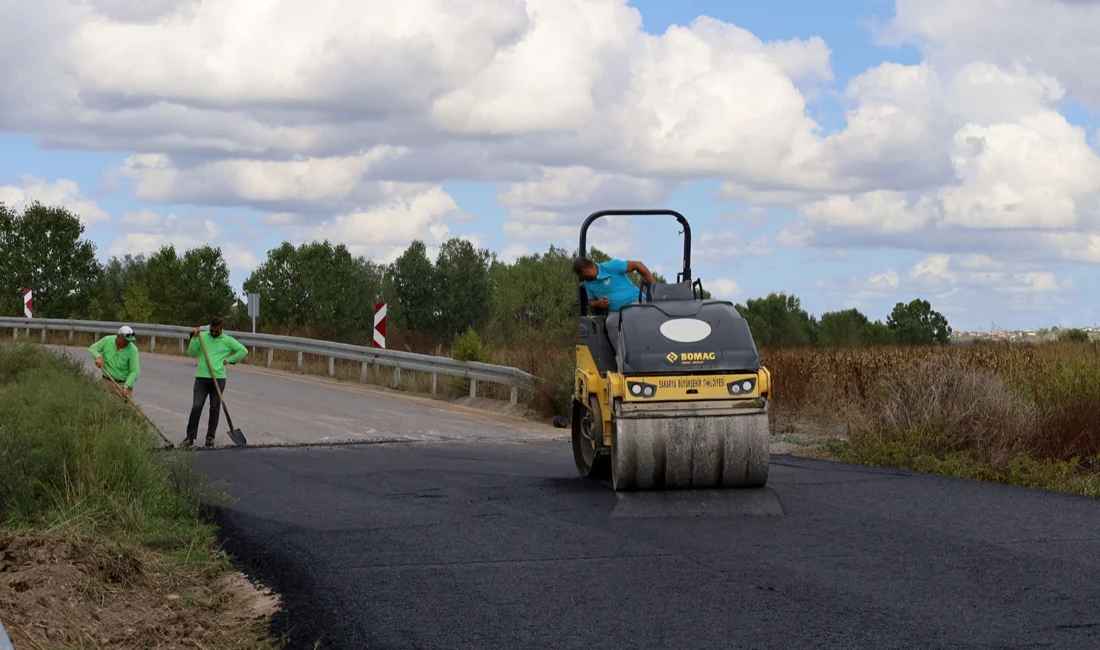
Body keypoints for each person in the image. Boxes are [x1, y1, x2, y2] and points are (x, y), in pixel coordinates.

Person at [183, 316, 248, 448]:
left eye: (216, 330)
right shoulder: (203, 336)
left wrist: (229, 360)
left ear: (221, 328)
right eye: (212, 329)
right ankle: (190, 437)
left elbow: (243, 351)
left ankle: (210, 437)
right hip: (201, 377)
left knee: (214, 408)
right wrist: (195, 338)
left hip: (218, 378)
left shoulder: (227, 340)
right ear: (210, 326)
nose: (213, 332)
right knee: (196, 407)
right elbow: (191, 352)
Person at [572, 256, 656, 356]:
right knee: (610, 322)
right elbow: (591, 301)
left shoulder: (611, 266)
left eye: (580, 275)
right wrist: (598, 303)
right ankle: (623, 360)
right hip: (615, 311)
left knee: (634, 317)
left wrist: (655, 288)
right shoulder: (588, 283)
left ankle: (649, 354)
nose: (581, 279)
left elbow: (638, 265)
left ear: (584, 272)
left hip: (635, 302)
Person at [89, 325, 141, 398]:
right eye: (125, 340)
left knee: (126, 408)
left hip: (122, 386)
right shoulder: (107, 340)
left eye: (129, 340)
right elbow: (92, 348)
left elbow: (135, 371)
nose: (127, 342)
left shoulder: (133, 350)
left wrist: (126, 386)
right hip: (106, 382)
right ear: (118, 336)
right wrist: (98, 357)